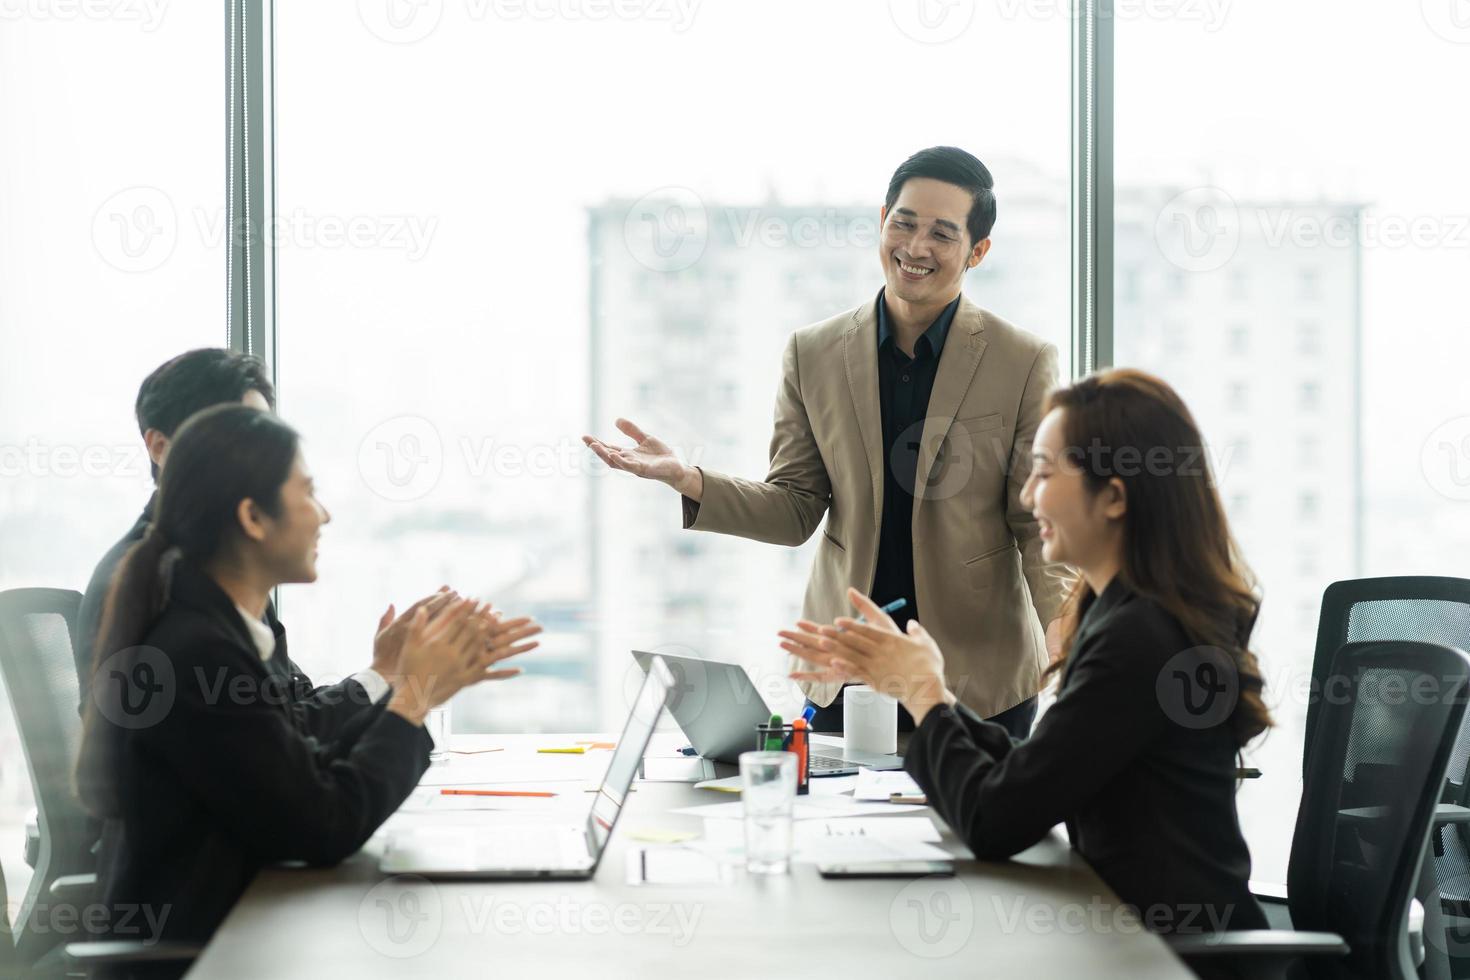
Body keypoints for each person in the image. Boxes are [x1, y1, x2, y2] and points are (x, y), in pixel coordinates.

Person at [586, 146, 1070, 738]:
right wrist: (689, 480)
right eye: (904, 223)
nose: (916, 248)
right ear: (882, 220)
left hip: (978, 677)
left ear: (977, 251)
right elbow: (794, 508)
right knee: (838, 829)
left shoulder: (1022, 361)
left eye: (943, 234)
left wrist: (1066, 626)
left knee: (976, 829)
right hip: (847, 674)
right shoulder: (811, 353)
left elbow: (1036, 521)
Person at [780, 368, 1272, 933]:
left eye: (1043, 472)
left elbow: (995, 820)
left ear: (1113, 496)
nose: (1026, 494)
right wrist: (930, 690)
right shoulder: (1126, 614)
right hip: (1126, 937)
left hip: (1171, 960)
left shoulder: (1140, 639)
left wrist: (922, 695)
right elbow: (1035, 772)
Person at [75, 405, 539, 948]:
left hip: (244, 927)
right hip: (208, 953)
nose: (324, 515)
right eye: (307, 494)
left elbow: (297, 758)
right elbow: (324, 824)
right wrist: (413, 696)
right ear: (253, 518)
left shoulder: (213, 628)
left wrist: (398, 678)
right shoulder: (200, 653)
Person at [76, 349, 450, 738]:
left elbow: (288, 713)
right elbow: (277, 740)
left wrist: (385, 673)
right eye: (238, 435)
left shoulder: (226, 562)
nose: (262, 458)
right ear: (160, 447)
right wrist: (397, 689)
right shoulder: (155, 588)